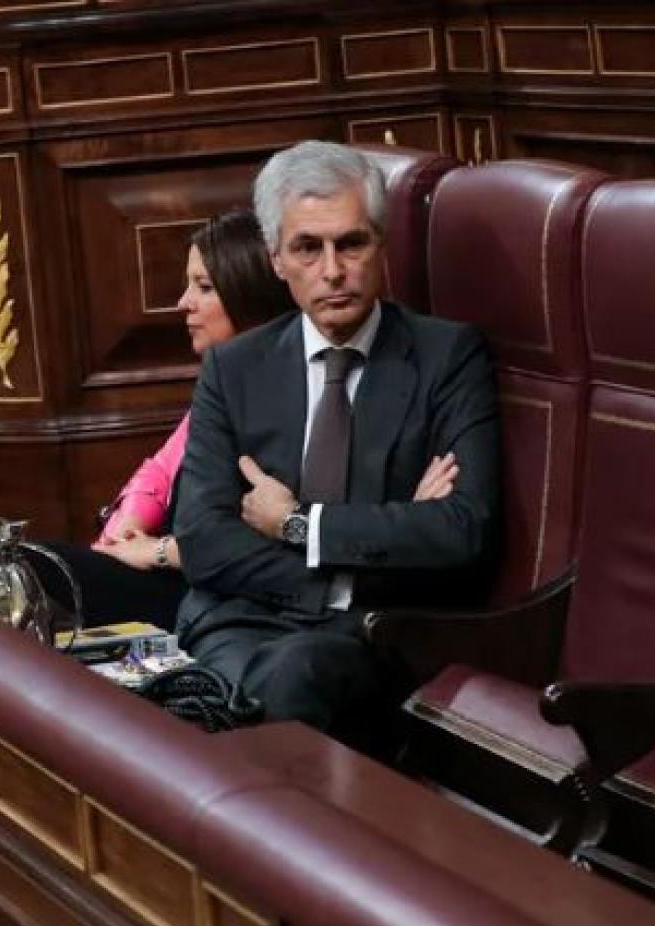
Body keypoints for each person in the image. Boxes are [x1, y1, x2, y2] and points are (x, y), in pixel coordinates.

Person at [172, 140, 499, 754]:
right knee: (202, 692)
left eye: (351, 244)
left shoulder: (448, 357)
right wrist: (369, 551)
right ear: (275, 259)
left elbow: (460, 530)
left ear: (381, 246)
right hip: (240, 619)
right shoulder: (234, 368)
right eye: (307, 248)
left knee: (284, 681)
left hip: (370, 633)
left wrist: (296, 524)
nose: (332, 271)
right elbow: (203, 539)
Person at [32, 211, 297, 630]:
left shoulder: (286, 396)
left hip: (213, 596)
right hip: (169, 574)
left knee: (32, 569)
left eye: (204, 287)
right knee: (15, 567)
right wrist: (126, 529)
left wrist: (157, 551)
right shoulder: (224, 380)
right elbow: (160, 469)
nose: (183, 302)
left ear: (248, 297)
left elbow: (256, 544)